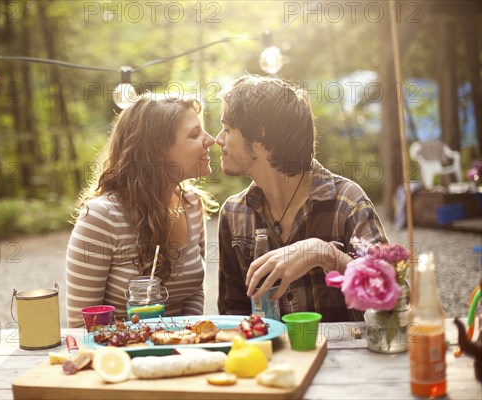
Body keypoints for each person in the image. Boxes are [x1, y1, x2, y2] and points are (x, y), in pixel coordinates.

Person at [216, 75, 387, 322]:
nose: (218, 139)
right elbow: (233, 313)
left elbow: (391, 293)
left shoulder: (346, 202)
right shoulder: (233, 213)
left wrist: (324, 254)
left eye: (228, 129)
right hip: (270, 359)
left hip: (345, 358)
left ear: (261, 136)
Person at [65, 93, 217, 328]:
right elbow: (82, 325)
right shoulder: (101, 218)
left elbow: (193, 293)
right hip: (121, 355)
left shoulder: (192, 205)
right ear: (157, 150)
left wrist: (185, 341)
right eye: (194, 134)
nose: (211, 140)